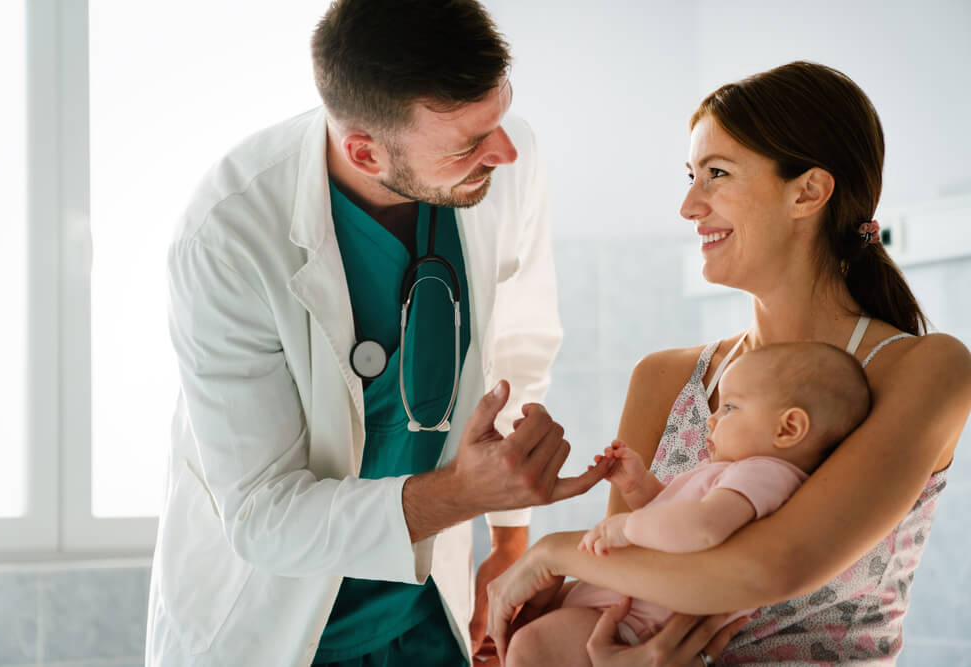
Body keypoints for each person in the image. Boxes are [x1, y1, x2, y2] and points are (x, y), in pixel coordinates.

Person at [144, 2, 610, 666]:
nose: (503, 151)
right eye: (468, 144)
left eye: (500, 115)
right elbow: (262, 515)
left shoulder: (506, 158)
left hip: (421, 614)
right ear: (364, 149)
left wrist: (510, 541)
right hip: (274, 623)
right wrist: (465, 494)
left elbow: (521, 339)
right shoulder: (229, 234)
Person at [487, 61, 971, 666]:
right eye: (691, 176)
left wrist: (549, 554)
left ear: (809, 192)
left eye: (717, 174)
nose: (690, 205)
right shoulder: (665, 379)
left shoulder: (924, 368)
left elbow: (772, 565)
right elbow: (622, 585)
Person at [504, 342, 872, 666]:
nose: (712, 418)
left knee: (528, 649)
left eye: (730, 408)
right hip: (617, 616)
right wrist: (640, 487)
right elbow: (677, 519)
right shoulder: (737, 475)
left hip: (631, 623)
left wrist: (625, 527)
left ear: (789, 428)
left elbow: (702, 528)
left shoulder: (766, 473)